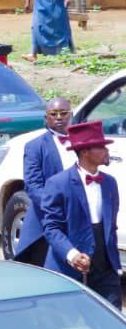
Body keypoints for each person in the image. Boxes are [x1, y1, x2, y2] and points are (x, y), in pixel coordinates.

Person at [41, 121, 121, 309]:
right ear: (84, 152)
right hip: (69, 269)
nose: (106, 150)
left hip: (105, 267)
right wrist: (72, 254)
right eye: (100, 147)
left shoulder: (110, 183)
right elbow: (51, 228)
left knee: (112, 322)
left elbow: (111, 227)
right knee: (72, 325)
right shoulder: (58, 183)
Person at [14, 98, 74, 266]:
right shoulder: (35, 146)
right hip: (48, 218)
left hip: (78, 218)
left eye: (64, 113)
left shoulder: (81, 142)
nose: (59, 117)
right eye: (53, 114)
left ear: (71, 115)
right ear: (46, 117)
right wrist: (56, 207)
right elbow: (33, 186)